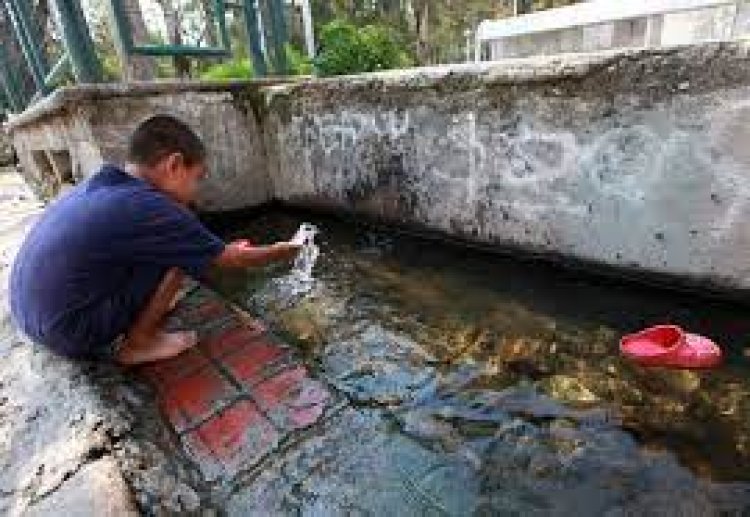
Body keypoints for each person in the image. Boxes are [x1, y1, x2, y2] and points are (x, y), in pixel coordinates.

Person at [10, 114, 300, 365]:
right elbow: (228, 260)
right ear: (174, 165)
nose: (196, 190)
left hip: (30, 313)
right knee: (180, 256)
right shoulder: (150, 207)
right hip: (69, 330)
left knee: (178, 245)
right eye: (197, 177)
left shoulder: (105, 184)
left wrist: (216, 250)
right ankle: (139, 344)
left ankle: (139, 316)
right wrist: (281, 251)